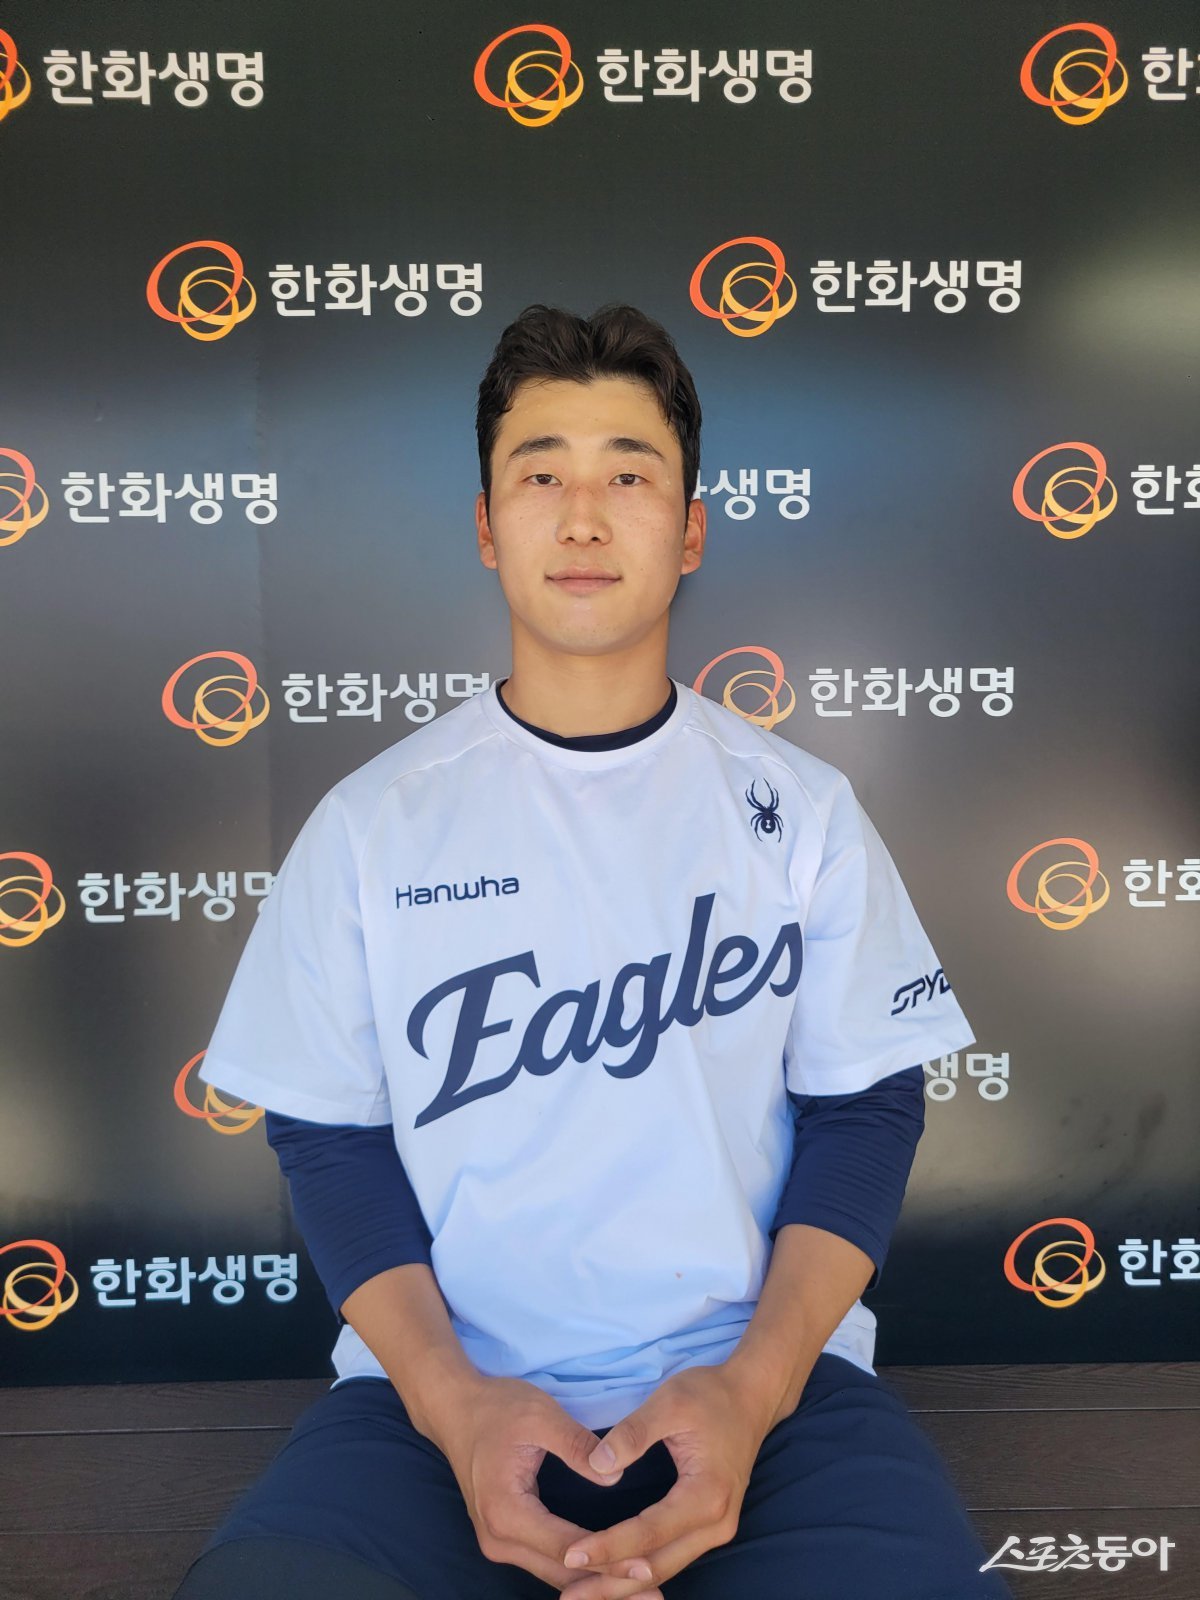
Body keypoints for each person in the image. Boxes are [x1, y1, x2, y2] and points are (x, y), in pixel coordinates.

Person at [172, 304, 1011, 1600]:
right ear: (485, 525)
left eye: (628, 475)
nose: (581, 517)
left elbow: (866, 1107)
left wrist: (750, 1391)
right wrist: (458, 1409)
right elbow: (328, 1139)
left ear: (690, 531)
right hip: (436, 1404)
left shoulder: (802, 809)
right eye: (540, 474)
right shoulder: (373, 823)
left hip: (764, 1396)